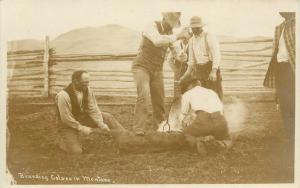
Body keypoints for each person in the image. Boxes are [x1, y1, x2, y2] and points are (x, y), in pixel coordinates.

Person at [131, 12, 190, 135]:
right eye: (170, 24)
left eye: (173, 26)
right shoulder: (151, 26)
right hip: (142, 67)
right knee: (144, 95)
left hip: (157, 70)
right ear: (163, 19)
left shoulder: (171, 35)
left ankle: (159, 127)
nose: (171, 27)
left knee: (159, 99)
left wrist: (182, 56)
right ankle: (139, 129)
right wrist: (178, 36)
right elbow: (157, 41)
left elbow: (177, 54)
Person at [55, 70, 125, 154]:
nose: (87, 85)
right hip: (68, 124)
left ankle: (126, 139)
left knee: (108, 117)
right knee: (76, 152)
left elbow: (93, 108)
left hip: (83, 118)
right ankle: (62, 140)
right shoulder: (63, 95)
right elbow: (66, 118)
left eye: (88, 82)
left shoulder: (87, 90)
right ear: (75, 81)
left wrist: (101, 124)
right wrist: (81, 128)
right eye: (84, 83)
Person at [263, 12, 295, 160]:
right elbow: (276, 51)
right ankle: (291, 138)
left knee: (294, 104)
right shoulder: (280, 28)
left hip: (293, 69)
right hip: (281, 69)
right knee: (285, 104)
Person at [179, 76, 232, 156]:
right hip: (220, 120)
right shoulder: (211, 91)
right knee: (227, 138)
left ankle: (197, 143)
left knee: (185, 135)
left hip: (203, 120)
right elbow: (222, 110)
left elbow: (183, 113)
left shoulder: (187, 93)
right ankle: (223, 144)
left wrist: (183, 126)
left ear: (188, 86)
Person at [179, 16, 223, 100]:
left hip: (211, 68)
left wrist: (213, 71)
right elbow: (192, 61)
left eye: (197, 28)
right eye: (193, 28)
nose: (195, 30)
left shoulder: (209, 36)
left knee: (216, 96)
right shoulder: (191, 40)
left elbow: (216, 54)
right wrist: (185, 75)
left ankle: (220, 112)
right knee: (204, 98)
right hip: (200, 71)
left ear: (201, 27)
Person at [167, 27, 192, 98]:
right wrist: (175, 70)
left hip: (190, 73)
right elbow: (169, 59)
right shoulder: (176, 46)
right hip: (179, 73)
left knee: (190, 92)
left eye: (187, 37)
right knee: (178, 93)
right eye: (183, 37)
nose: (185, 39)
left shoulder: (193, 45)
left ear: (190, 36)